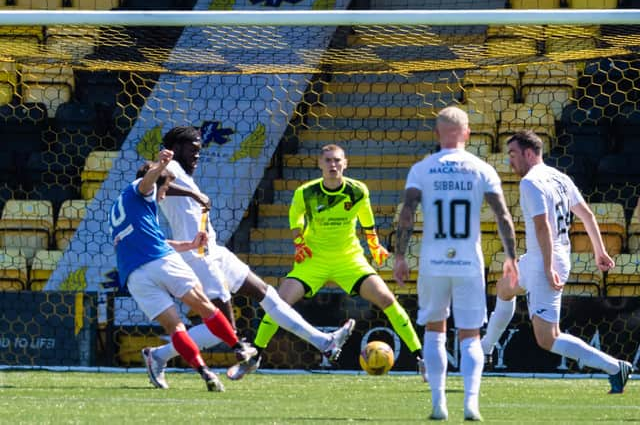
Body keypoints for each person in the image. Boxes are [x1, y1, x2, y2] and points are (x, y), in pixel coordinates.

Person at [143, 126, 356, 387]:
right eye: (192, 149)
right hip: (197, 258)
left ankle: (324, 342)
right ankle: (175, 354)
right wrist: (193, 193)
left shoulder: (183, 172)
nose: (197, 154)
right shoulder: (171, 168)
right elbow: (149, 179)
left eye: (199, 149)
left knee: (266, 294)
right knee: (221, 324)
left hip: (215, 251)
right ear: (175, 149)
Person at [240, 143, 424, 380]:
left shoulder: (358, 191)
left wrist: (375, 245)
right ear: (320, 164)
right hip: (313, 260)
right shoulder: (305, 192)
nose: (333, 165)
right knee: (279, 301)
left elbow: (367, 220)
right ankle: (255, 357)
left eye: (337, 160)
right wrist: (299, 241)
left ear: (345, 164)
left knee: (386, 298)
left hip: (349, 259)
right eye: (328, 160)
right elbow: (295, 216)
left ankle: (420, 358)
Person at [480, 129, 632, 394]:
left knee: (548, 338)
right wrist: (599, 252)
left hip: (545, 261)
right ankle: (484, 352)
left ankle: (615, 367)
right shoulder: (560, 178)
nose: (510, 161)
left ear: (529, 153)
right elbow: (587, 214)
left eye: (513, 154)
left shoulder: (531, 182)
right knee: (505, 287)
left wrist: (548, 267)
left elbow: (544, 228)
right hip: (544, 257)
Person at [393, 106, 519, 421]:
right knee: (470, 334)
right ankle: (471, 404)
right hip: (468, 261)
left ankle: (438, 402)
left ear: (437, 134)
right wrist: (511, 257)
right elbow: (503, 215)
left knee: (435, 329)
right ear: (468, 134)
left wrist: (399, 255)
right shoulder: (482, 169)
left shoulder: (422, 169)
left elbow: (407, 213)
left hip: (433, 260)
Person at [109, 149, 256, 392]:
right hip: (161, 262)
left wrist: (189, 245)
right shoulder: (142, 189)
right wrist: (161, 166)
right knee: (205, 307)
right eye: (165, 188)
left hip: (134, 274)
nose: (164, 194)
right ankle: (239, 347)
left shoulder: (123, 205)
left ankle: (205, 372)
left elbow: (155, 239)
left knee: (175, 327)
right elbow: (148, 182)